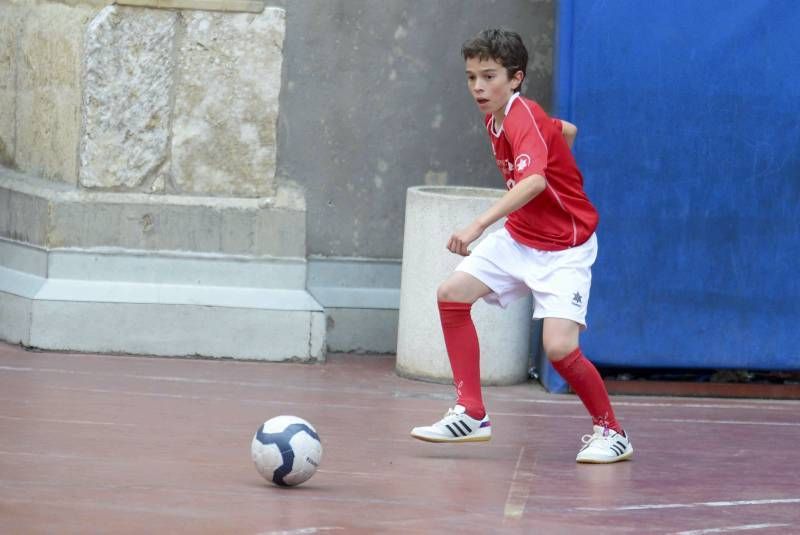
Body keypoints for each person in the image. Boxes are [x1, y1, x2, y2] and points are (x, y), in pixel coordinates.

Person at [409, 28, 632, 463]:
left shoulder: (520, 113)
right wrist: (557, 147)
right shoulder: (500, 115)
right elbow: (566, 129)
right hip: (520, 237)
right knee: (451, 294)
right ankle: (471, 413)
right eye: (471, 77)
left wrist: (476, 225)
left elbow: (533, 180)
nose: (478, 87)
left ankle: (613, 432)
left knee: (559, 349)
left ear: (516, 77)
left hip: (565, 247)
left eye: (489, 76)